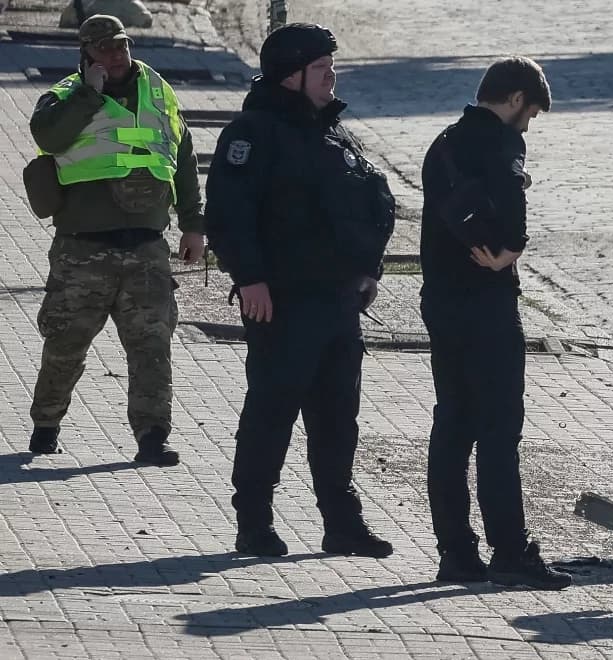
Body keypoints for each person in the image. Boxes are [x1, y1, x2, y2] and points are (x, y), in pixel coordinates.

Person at [205, 23, 396, 558]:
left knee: (338, 417)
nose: (332, 77)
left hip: (337, 300)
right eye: (321, 68)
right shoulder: (253, 133)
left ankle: (341, 523)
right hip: (281, 300)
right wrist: (249, 279)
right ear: (290, 76)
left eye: (331, 67)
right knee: (272, 411)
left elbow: (372, 201)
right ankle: (254, 521)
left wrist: (369, 269)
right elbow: (228, 214)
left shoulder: (332, 130)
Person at [419, 56, 571, 590]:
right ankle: (510, 550)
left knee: (452, 425)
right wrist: (510, 250)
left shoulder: (441, 142)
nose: (528, 124)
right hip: (486, 301)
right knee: (499, 431)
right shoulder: (503, 145)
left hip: (439, 298)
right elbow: (512, 214)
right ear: (513, 100)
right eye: (529, 113)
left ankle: (455, 552)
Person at [27, 14, 205, 465]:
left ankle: (152, 437)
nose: (116, 55)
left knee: (153, 345)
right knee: (65, 343)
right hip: (82, 247)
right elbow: (48, 136)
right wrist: (91, 92)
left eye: (121, 46)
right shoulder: (66, 95)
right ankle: (46, 423)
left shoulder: (158, 90)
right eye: (105, 49)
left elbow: (181, 154)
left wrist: (193, 222)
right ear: (86, 55)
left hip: (146, 245)